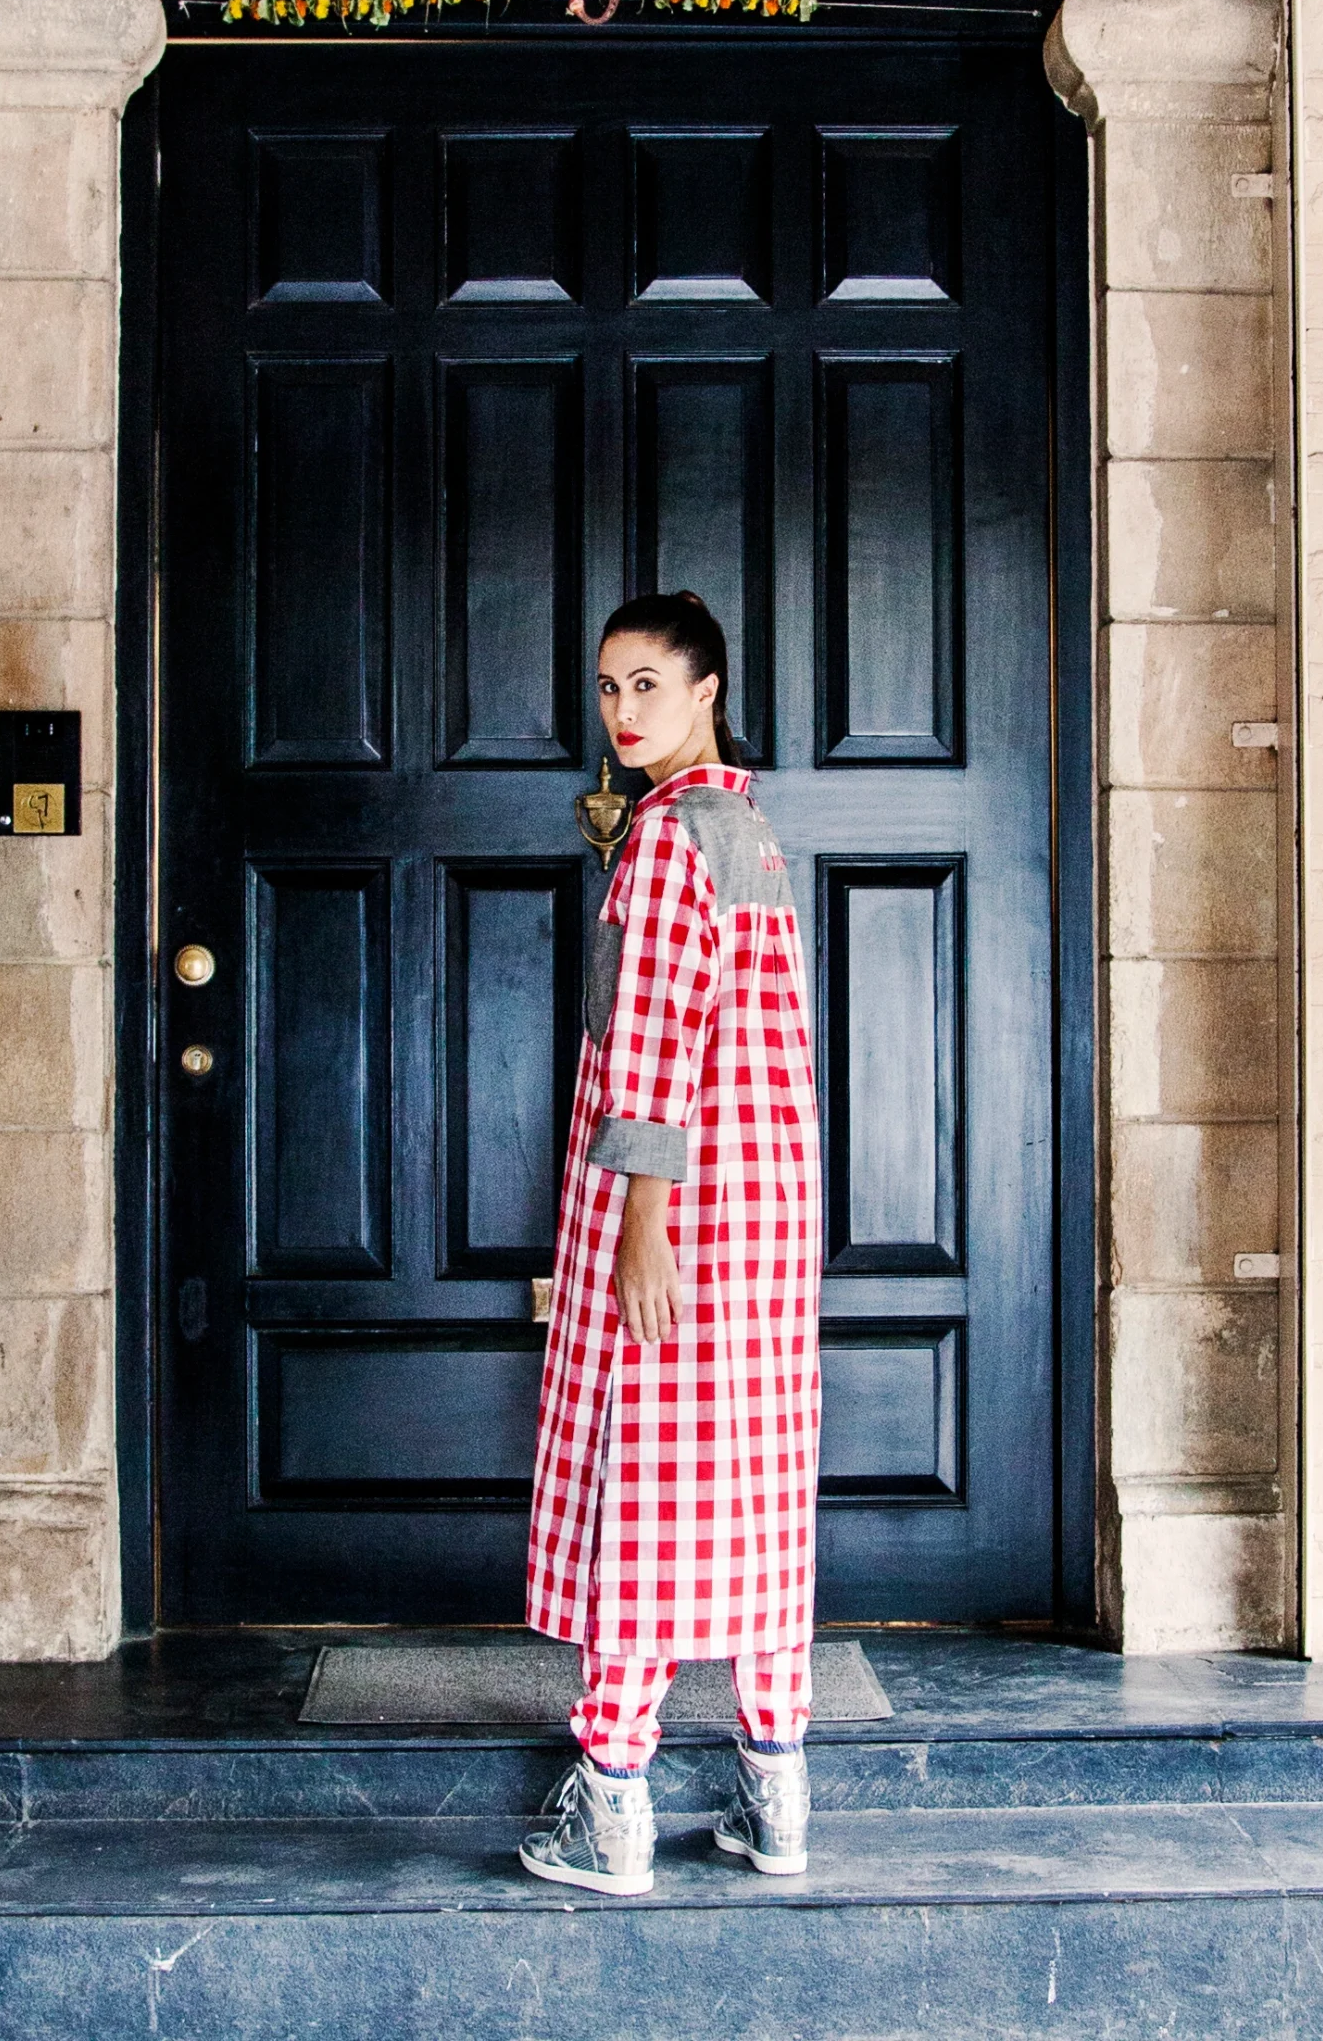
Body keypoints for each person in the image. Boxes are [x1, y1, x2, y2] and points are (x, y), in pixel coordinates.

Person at [519, 591, 822, 1895]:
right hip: (764, 1216)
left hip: (680, 1214)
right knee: (756, 1487)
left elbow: (650, 1048)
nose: (621, 711)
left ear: (707, 692)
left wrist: (642, 1228)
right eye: (607, 688)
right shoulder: (746, 831)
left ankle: (614, 1801)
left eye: (647, 685)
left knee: (642, 1481)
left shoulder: (665, 842)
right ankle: (776, 1794)